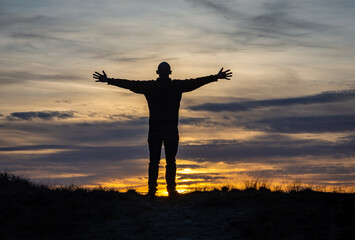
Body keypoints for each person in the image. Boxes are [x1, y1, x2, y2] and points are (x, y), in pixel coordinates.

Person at [93, 62, 232, 198]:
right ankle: (171, 191)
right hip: (171, 129)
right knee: (171, 161)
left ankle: (152, 191)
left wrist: (109, 80)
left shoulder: (150, 87)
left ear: (157, 72)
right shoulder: (176, 86)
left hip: (155, 129)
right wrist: (215, 77)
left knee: (154, 162)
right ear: (170, 73)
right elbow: (195, 82)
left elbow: (130, 84)